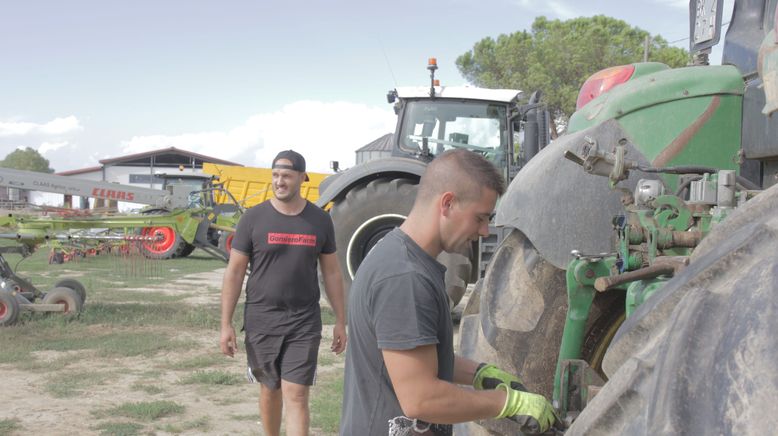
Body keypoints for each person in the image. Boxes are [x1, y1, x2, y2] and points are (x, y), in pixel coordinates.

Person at [340, 149, 557, 435]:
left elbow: (413, 359)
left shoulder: (399, 256)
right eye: (480, 218)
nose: (484, 230)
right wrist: (507, 402)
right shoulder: (404, 278)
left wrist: (478, 373)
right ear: (448, 204)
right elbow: (422, 398)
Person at [220, 149, 347, 436]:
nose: (280, 181)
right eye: (276, 175)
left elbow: (332, 273)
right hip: (262, 318)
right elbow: (235, 272)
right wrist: (225, 324)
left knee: (297, 393)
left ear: (303, 178)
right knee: (270, 388)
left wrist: (341, 320)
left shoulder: (320, 220)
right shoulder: (253, 219)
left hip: (304, 320)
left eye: (287, 176)